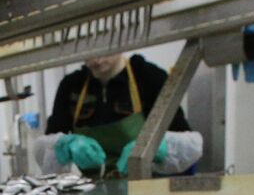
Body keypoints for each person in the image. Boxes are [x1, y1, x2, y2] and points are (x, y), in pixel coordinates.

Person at [37, 52, 203, 177]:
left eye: (104, 51)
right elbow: (44, 148)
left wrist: (156, 147)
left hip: (146, 191)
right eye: (89, 53)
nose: (97, 61)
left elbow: (191, 146)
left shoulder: (148, 77)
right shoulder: (71, 85)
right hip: (94, 193)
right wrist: (65, 145)